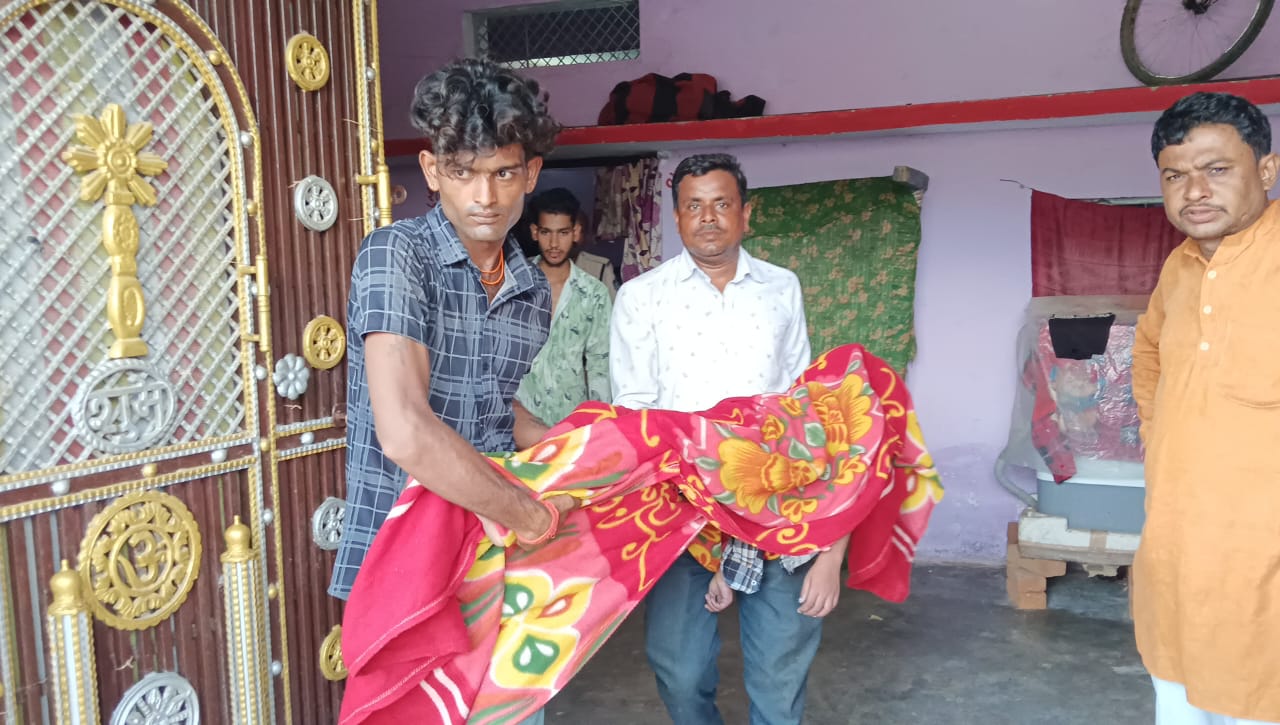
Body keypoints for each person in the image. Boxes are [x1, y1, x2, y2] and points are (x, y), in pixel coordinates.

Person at [331, 58, 578, 613]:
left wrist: (573, 444)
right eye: (463, 172)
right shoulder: (398, 254)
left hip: (492, 559)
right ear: (432, 170)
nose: (484, 196)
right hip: (402, 556)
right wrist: (528, 515)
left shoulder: (531, 289)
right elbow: (406, 432)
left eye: (503, 173)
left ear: (531, 174)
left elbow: (491, 403)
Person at [610, 153, 847, 725]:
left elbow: (799, 399)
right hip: (680, 506)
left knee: (780, 668)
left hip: (773, 501)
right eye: (694, 206)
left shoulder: (781, 288)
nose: (708, 217)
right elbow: (633, 408)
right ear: (676, 217)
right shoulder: (642, 296)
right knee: (679, 667)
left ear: (746, 214)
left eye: (721, 204)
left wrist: (825, 533)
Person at [1131, 91, 1280, 725]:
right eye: (1175, 175)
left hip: (1262, 559)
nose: (1194, 191)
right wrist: (1161, 433)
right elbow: (1148, 353)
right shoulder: (1181, 266)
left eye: (1217, 169)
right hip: (1177, 546)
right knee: (1179, 691)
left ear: (1266, 170)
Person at [515, 188, 613, 426]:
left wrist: (599, 425)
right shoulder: (514, 284)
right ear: (535, 232)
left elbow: (600, 365)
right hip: (517, 418)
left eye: (563, 233)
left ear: (576, 232)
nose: (554, 243)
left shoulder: (594, 293)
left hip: (572, 421)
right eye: (546, 232)